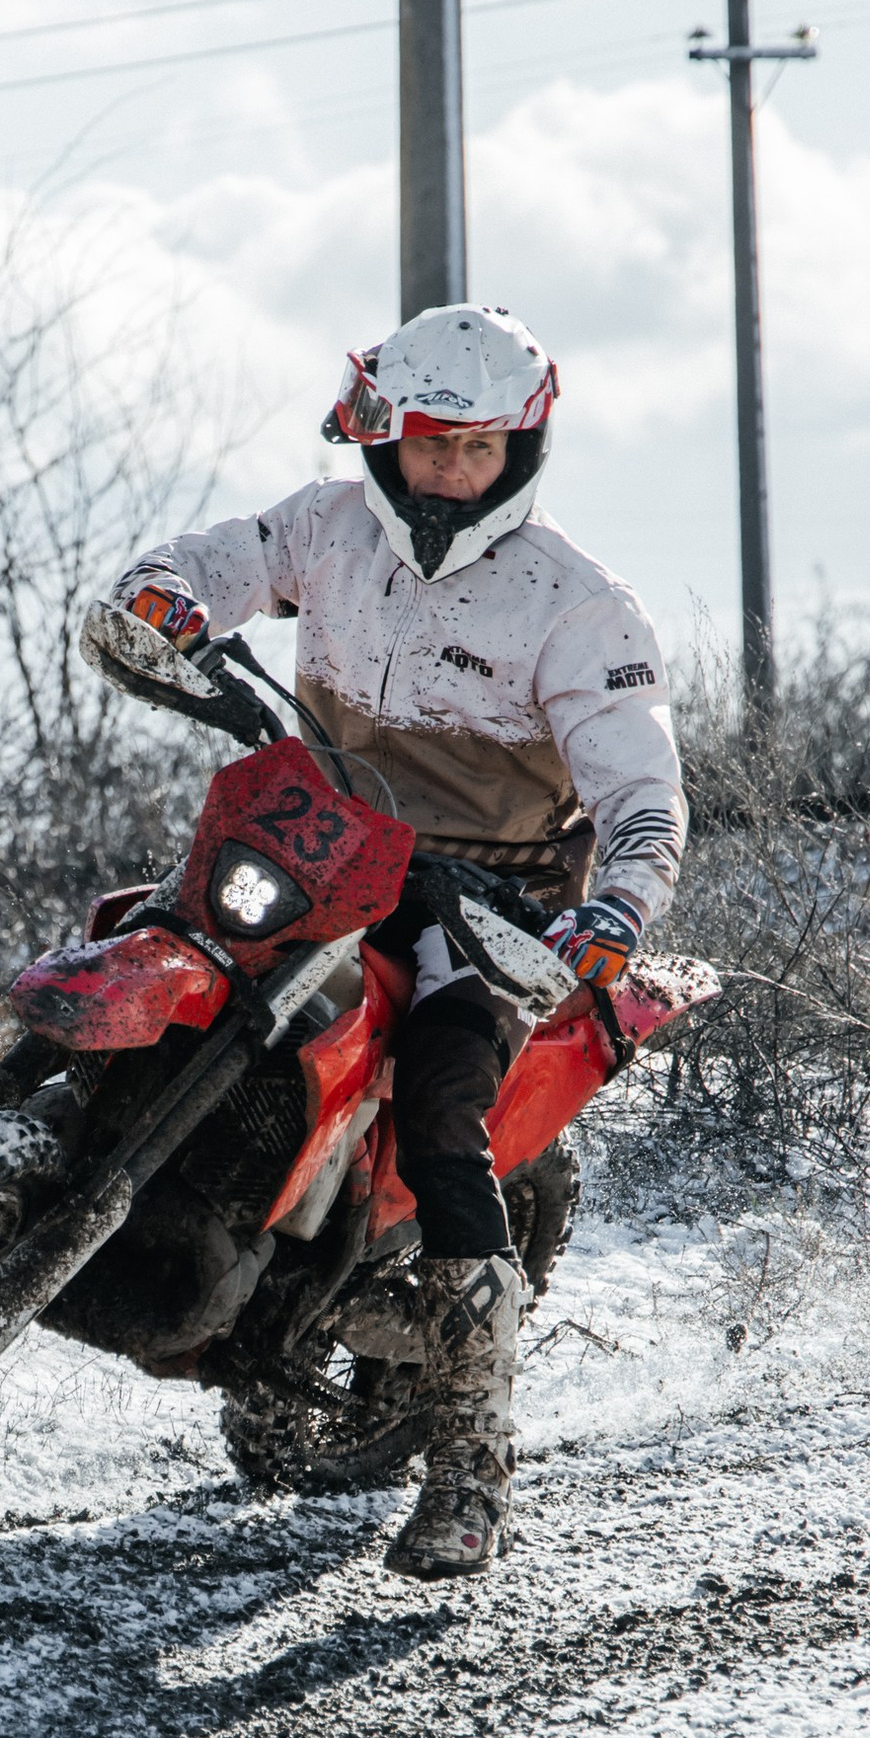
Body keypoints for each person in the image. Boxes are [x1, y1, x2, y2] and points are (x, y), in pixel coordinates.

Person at [103, 300, 687, 1582]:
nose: (449, 474)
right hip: (323, 852)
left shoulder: (581, 607)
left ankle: (470, 1465)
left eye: (478, 451)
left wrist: (614, 912)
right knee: (145, 940)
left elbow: (644, 794)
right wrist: (158, 594)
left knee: (440, 1109)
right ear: (385, 435)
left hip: (494, 906)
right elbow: (225, 557)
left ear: (521, 452)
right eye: (430, 445)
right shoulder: (329, 526)